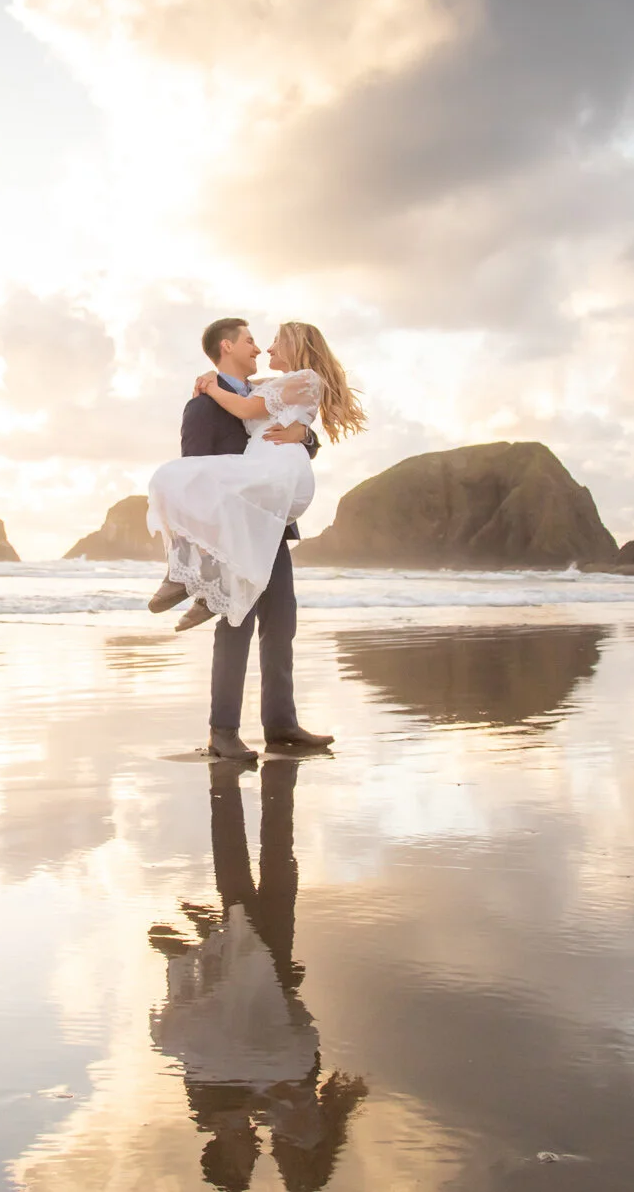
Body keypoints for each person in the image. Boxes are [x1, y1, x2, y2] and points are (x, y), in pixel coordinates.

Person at [147, 319, 362, 761]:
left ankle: (281, 725)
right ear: (228, 346)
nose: (260, 348)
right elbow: (198, 479)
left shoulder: (262, 390)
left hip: (274, 529)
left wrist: (307, 434)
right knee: (236, 627)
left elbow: (292, 428)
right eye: (250, 341)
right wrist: (210, 548)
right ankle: (222, 731)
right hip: (234, 534)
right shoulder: (203, 406)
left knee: (281, 625)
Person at [149, 758, 368, 1191]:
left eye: (245, 1167)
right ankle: (207, 935)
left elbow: (212, 1047)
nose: (256, 1159)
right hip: (272, 1005)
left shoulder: (212, 1108)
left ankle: (209, 937)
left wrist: (262, 1101)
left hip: (259, 1005)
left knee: (258, 903)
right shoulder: (257, 1116)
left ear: (229, 1159)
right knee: (260, 903)